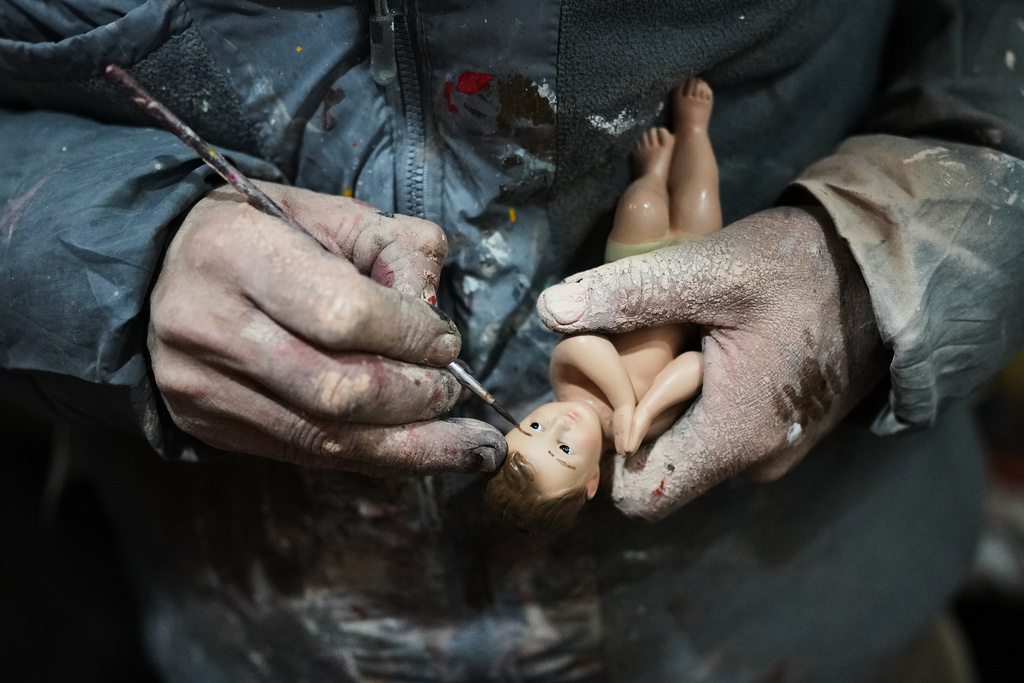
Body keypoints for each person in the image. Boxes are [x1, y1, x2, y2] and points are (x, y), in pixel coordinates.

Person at [2, 0, 1023, 680]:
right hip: (237, 632)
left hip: (805, 625)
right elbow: (650, 385)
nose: (539, 427)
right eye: (552, 444)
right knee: (682, 206)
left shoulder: (585, 381)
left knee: (666, 210)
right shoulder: (617, 409)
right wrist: (111, 261)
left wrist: (877, 254)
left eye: (529, 435)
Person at [485, 79, 718, 532]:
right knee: (701, 200)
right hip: (696, 288)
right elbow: (696, 365)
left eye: (533, 427)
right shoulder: (639, 433)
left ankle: (654, 170)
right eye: (564, 450)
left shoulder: (568, 385)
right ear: (592, 480)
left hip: (635, 277)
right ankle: (694, 129)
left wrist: (625, 402)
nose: (559, 425)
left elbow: (583, 345)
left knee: (642, 207)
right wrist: (645, 412)